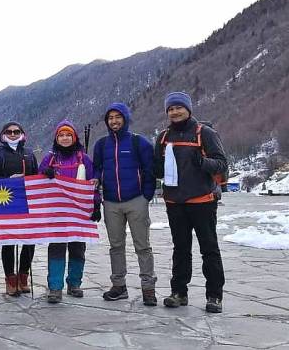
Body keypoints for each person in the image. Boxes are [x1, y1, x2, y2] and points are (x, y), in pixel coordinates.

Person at [154, 92, 228, 313]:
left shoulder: (204, 132)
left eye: (179, 108)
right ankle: (179, 293)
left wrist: (203, 162)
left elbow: (222, 163)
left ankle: (214, 296)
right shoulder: (163, 137)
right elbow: (157, 167)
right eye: (171, 109)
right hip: (174, 201)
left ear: (188, 109)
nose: (175, 112)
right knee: (181, 248)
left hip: (202, 200)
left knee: (209, 249)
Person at [91, 103, 157, 306]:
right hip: (110, 202)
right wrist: (96, 180)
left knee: (142, 246)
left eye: (118, 117)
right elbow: (97, 170)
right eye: (110, 118)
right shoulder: (101, 145)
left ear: (126, 118)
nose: (114, 121)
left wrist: (146, 196)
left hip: (136, 199)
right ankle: (119, 286)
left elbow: (150, 171)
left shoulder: (139, 143)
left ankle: (148, 288)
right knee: (116, 246)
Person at [38, 120, 99, 303]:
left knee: (77, 248)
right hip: (57, 212)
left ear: (74, 137)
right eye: (61, 135)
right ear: (57, 138)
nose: (65, 138)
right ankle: (55, 287)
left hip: (79, 212)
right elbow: (39, 179)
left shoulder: (84, 159)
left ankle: (74, 284)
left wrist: (96, 205)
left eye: (68, 135)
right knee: (57, 248)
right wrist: (45, 173)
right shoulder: (50, 158)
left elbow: (93, 184)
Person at [0, 122, 38, 296]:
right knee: (9, 240)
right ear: (3, 134)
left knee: (29, 240)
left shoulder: (29, 153)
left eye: (16, 131)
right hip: (5, 201)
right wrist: (9, 179)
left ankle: (23, 276)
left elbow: (36, 176)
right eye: (9, 132)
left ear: (22, 133)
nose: (13, 134)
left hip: (27, 201)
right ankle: (10, 279)